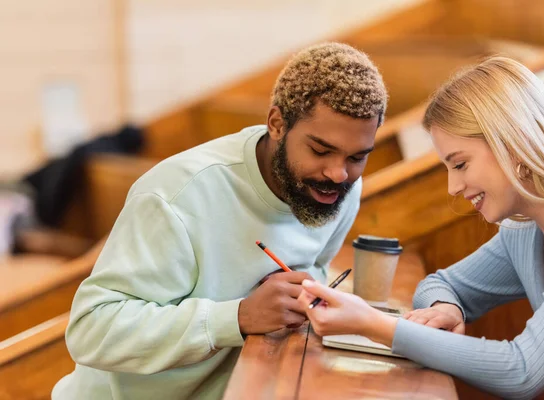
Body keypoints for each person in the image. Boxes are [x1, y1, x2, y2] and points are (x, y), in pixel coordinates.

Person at [52, 42, 388, 400]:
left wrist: (308, 292)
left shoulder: (342, 189)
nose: (337, 173)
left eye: (357, 157)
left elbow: (318, 266)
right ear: (276, 124)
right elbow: (91, 329)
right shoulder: (178, 194)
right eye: (320, 150)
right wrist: (238, 316)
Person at [299, 56, 544, 400]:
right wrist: (447, 308)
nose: (452, 187)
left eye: (460, 164)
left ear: (513, 144)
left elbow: (524, 371)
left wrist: (373, 324)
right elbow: (441, 284)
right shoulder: (526, 229)